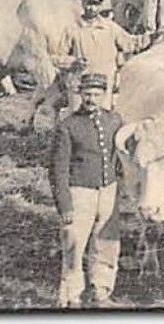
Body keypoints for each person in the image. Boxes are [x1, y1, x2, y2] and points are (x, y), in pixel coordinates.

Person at [48, 73, 124, 308]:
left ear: (104, 95)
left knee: (107, 241)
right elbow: (57, 169)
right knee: (74, 243)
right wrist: (65, 205)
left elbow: (120, 157)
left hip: (108, 189)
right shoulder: (68, 126)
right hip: (80, 191)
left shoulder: (114, 121)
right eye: (87, 94)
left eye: (97, 95)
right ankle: (71, 294)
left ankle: (101, 290)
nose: (92, 99)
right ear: (80, 94)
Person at [59, 0, 149, 92]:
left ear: (101, 5)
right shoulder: (73, 29)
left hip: (104, 86)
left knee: (104, 108)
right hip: (81, 86)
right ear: (83, 3)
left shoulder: (110, 27)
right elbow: (58, 57)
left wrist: (150, 38)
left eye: (95, 4)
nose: (91, 8)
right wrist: (73, 62)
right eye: (89, 3)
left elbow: (130, 44)